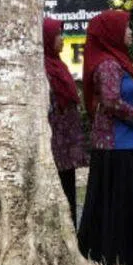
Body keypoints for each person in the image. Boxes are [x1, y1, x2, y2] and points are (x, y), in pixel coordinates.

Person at [76, 10, 133, 265]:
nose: (131, 32)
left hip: (124, 142)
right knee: (118, 203)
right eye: (126, 28)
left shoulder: (117, 61)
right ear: (111, 31)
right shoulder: (109, 64)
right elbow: (111, 102)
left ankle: (126, 256)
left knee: (125, 201)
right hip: (115, 145)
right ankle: (115, 257)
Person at [43, 18, 88, 226]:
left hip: (65, 144)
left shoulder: (58, 65)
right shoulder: (41, 68)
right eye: (57, 35)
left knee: (68, 188)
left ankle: (70, 233)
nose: (62, 39)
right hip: (51, 144)